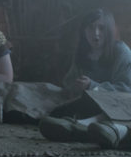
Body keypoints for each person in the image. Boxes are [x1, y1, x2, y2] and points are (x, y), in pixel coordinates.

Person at [39, 9, 131, 149]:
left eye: (101, 28)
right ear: (83, 31)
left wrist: (92, 85)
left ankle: (82, 126)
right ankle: (83, 127)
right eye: (91, 27)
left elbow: (126, 88)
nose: (96, 34)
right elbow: (68, 82)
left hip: (116, 105)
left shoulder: (121, 52)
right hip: (87, 104)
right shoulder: (82, 54)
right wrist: (75, 87)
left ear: (110, 31)